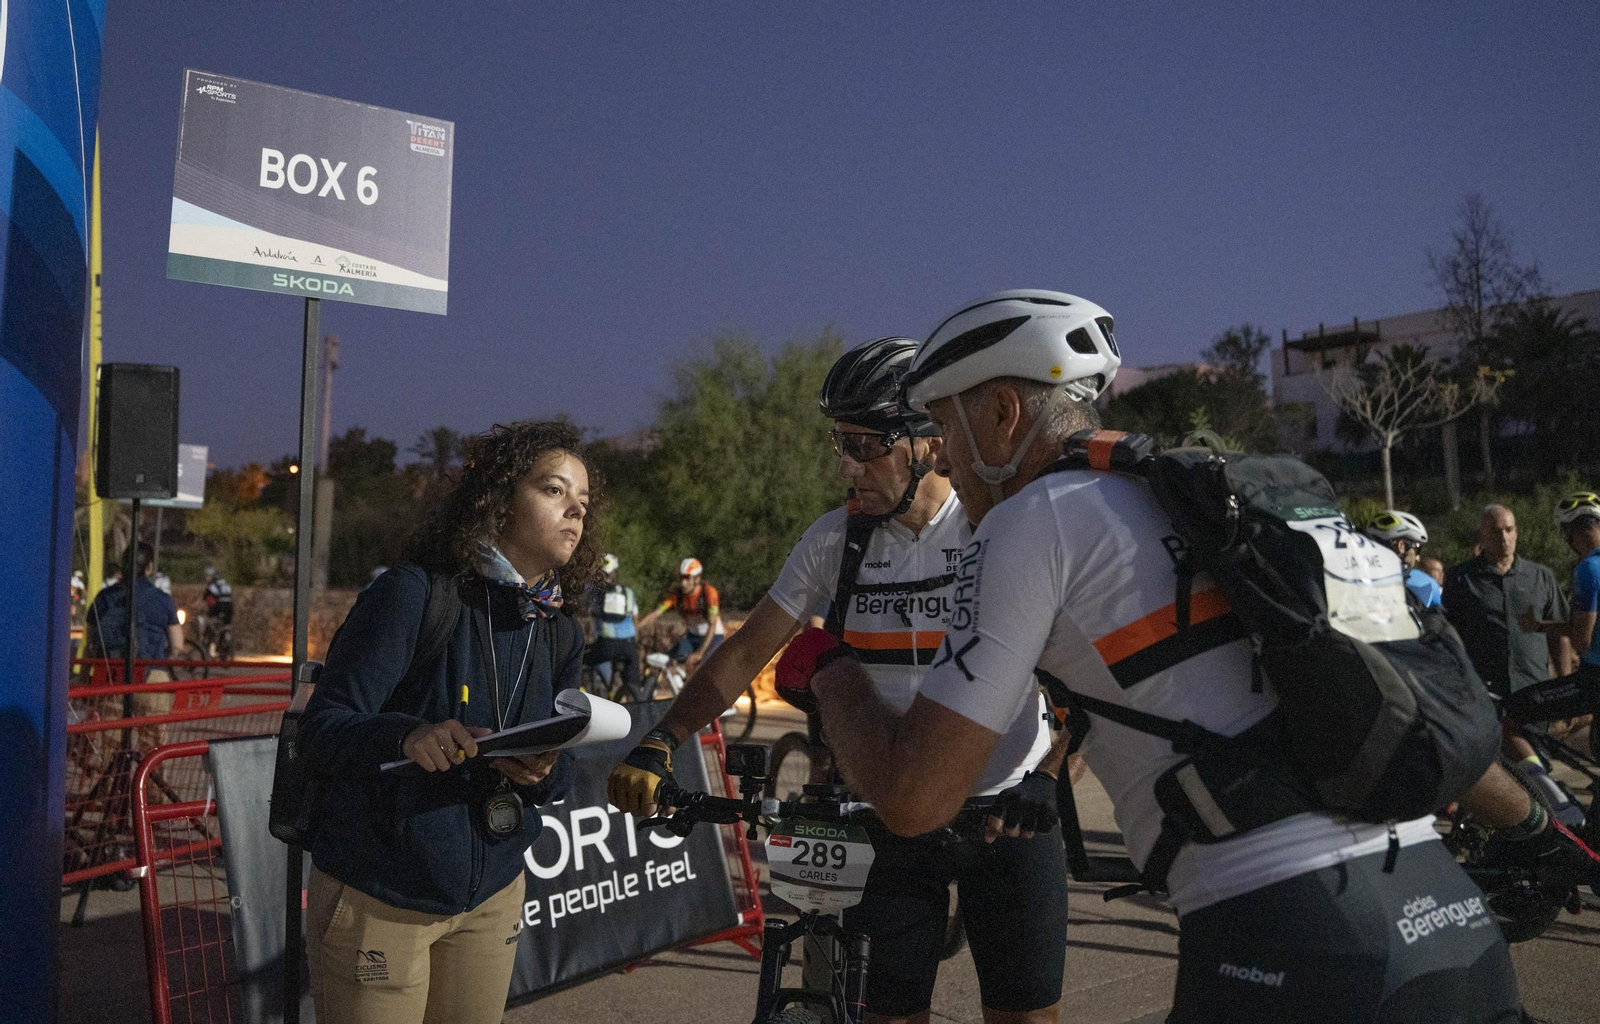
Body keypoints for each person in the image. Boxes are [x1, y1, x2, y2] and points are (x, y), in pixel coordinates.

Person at [781, 289, 1524, 1022]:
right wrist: (1534, 828)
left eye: (945, 423)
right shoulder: (1196, 494)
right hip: (1444, 909)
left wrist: (832, 671)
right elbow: (1379, 690)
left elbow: (914, 798)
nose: (940, 452)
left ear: (1003, 413)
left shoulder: (1027, 522)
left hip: (1290, 934)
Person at [609, 336, 1072, 1024]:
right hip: (884, 813)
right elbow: (746, 650)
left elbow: (1084, 680)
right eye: (840, 444)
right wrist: (662, 738)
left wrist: (1051, 777)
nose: (846, 466)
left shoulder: (997, 528)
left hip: (1007, 817)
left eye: (864, 445)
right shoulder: (835, 539)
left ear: (929, 443)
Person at [297, 420, 594, 1024]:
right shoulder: (414, 594)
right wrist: (407, 735)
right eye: (554, 490)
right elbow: (322, 726)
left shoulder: (560, 630)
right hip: (383, 893)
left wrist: (544, 770)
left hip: (493, 897)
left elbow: (560, 762)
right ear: (500, 499)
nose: (575, 512)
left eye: (583, 503)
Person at [1444, 505, 1571, 700]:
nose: (1504, 538)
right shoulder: (1461, 579)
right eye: (1495, 532)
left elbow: (1559, 634)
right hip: (1483, 692)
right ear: (1482, 536)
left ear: (1516, 532)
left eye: (1509, 530)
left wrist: (1565, 686)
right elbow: (1449, 635)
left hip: (1533, 688)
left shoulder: (1541, 577)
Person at [1505, 492, 1600, 733]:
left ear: (1571, 531)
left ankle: (1534, 761)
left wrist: (1540, 627)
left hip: (1594, 679)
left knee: (1511, 712)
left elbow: (1582, 641)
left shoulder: (1589, 569)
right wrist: (1540, 626)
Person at [84, 542, 185, 747]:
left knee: (112, 748)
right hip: (151, 676)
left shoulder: (104, 598)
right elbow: (177, 645)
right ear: (149, 567)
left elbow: (91, 643)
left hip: (112, 677)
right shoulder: (162, 599)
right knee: (154, 749)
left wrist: (86, 678)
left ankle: (115, 769)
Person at [637, 557, 724, 670]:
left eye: (687, 578)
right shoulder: (677, 595)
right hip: (692, 636)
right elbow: (656, 613)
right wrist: (636, 628)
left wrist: (700, 653)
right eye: (682, 578)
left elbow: (712, 625)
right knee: (671, 660)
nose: (683, 583)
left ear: (697, 579)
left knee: (707, 666)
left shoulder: (709, 593)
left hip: (713, 636)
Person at [585, 553, 644, 700]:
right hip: (629, 645)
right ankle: (637, 703)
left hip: (607, 645)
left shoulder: (595, 592)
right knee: (633, 682)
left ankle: (595, 693)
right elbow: (635, 619)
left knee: (581, 659)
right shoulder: (628, 592)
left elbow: (587, 608)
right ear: (615, 571)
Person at [1365, 510, 1441, 607]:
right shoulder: (1427, 584)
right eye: (1417, 550)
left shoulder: (1359, 574)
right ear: (1401, 546)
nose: (1418, 558)